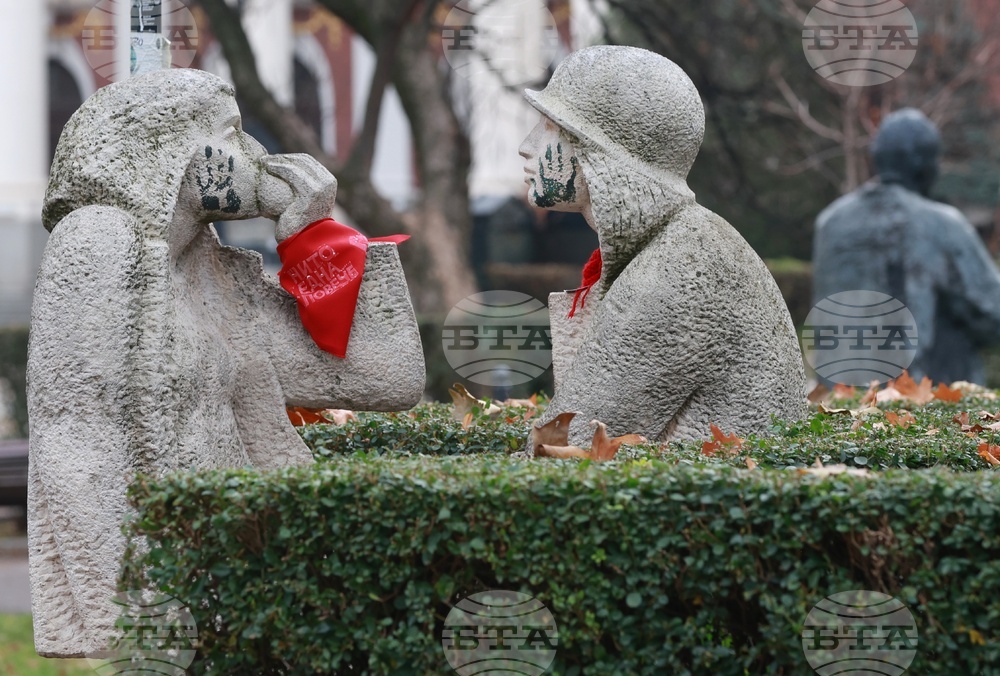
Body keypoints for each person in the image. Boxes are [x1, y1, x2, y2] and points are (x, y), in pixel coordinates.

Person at [29, 68, 423, 657]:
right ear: (174, 150)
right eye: (234, 134)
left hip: (238, 576)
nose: (258, 155)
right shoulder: (98, 241)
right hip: (170, 591)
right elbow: (76, 445)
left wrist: (313, 235)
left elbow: (387, 378)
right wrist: (140, 617)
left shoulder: (216, 274)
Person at [521, 46, 806, 446]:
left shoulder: (680, 268)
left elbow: (561, 449)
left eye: (549, 129)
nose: (527, 146)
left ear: (602, 155)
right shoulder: (688, 244)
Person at [812, 108, 1000, 384]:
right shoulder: (941, 223)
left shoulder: (830, 222)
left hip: (838, 397)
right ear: (923, 164)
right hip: (920, 402)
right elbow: (992, 313)